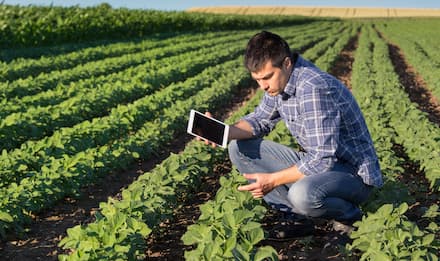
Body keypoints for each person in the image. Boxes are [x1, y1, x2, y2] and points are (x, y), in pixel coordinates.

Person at [204, 30, 383, 240]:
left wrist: (272, 180)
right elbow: (260, 120)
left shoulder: (313, 88)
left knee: (302, 194)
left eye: (267, 77)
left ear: (287, 63)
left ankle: (349, 218)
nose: (263, 86)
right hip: (323, 165)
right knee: (239, 148)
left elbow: (322, 160)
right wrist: (221, 131)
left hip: (353, 174)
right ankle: (298, 218)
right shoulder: (280, 84)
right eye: (257, 79)